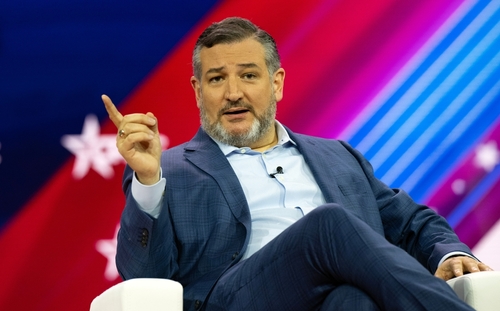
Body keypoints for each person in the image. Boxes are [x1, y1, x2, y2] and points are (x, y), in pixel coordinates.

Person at [102, 17, 493, 311]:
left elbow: (410, 221)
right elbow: (141, 276)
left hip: (332, 297)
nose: (233, 93)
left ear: (277, 83)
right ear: (198, 90)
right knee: (328, 223)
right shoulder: (169, 169)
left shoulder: (338, 156)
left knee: (353, 301)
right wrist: (149, 181)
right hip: (237, 301)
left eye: (249, 76)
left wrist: (449, 253)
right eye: (217, 79)